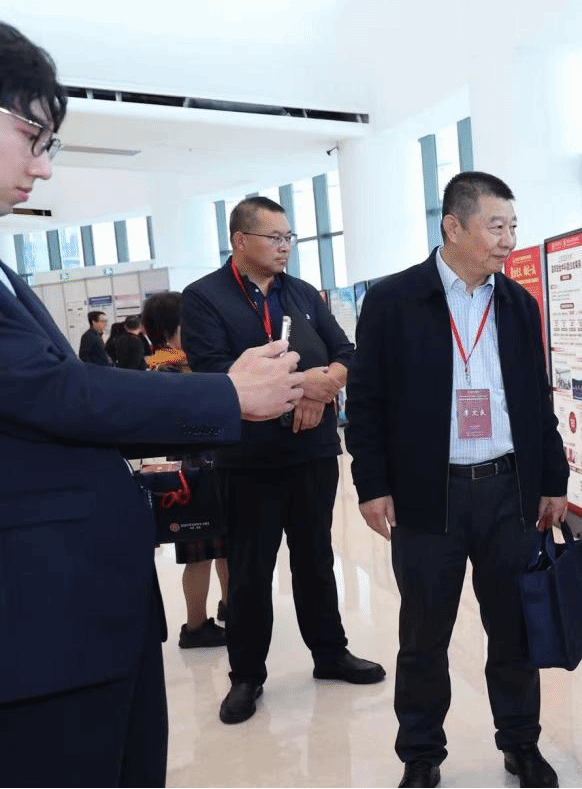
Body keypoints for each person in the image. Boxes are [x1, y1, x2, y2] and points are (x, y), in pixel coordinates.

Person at [0, 22, 305, 788]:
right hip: (42, 623)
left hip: (83, 608)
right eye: (32, 135)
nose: (43, 165)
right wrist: (228, 394)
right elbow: (58, 393)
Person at [345, 171, 570, 789]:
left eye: (513, 226)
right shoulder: (393, 301)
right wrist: (371, 483)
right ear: (453, 226)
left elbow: (537, 402)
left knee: (513, 628)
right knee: (424, 635)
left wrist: (553, 479)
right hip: (427, 495)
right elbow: (364, 402)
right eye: (496, 226)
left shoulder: (517, 305)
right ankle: (421, 757)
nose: (509, 240)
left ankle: (521, 743)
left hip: (507, 491)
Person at [181, 195, 385, 727]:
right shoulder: (205, 298)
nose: (285, 246)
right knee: (250, 570)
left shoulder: (304, 294)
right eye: (274, 237)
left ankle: (330, 653)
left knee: (316, 559)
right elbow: (215, 373)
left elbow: (347, 353)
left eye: (288, 237)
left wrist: (326, 386)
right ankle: (247, 675)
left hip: (311, 454)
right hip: (248, 460)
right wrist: (305, 389)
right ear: (240, 240)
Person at [142, 291, 229, 648]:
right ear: (170, 328)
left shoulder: (167, 362)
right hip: (195, 472)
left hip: (202, 467)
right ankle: (195, 626)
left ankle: (230, 607)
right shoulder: (169, 365)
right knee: (202, 554)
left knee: (223, 548)